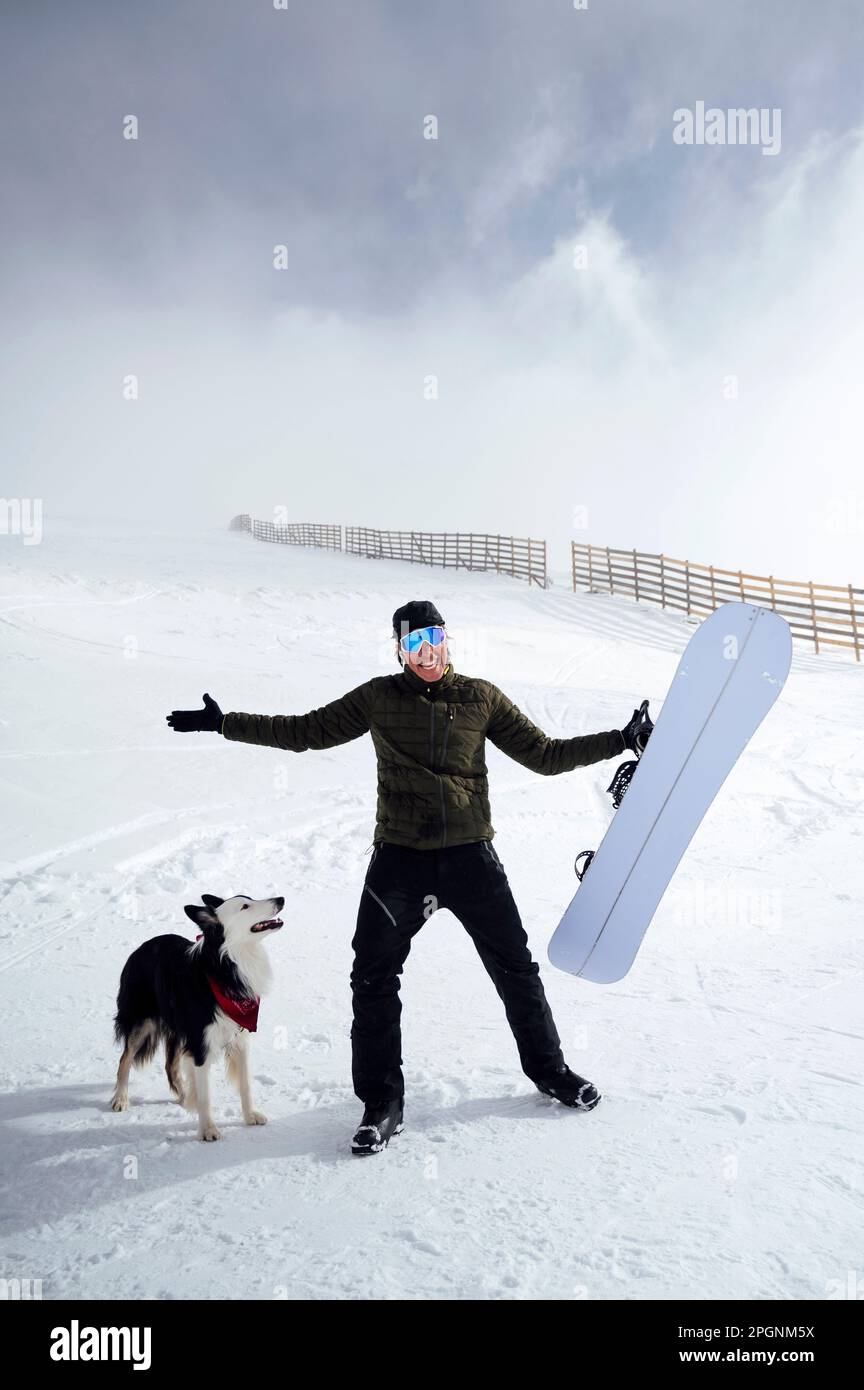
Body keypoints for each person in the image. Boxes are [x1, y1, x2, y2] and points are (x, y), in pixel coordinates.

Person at [167, 599, 650, 1155]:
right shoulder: (378, 697)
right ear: (399, 650)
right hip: (400, 857)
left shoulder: (481, 697)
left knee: (516, 968)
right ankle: (382, 1103)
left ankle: (551, 1072)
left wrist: (620, 738)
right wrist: (225, 722)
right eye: (413, 645)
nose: (426, 654)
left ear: (449, 641)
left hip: (472, 858)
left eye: (434, 640)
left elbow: (544, 754)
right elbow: (306, 731)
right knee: (372, 977)